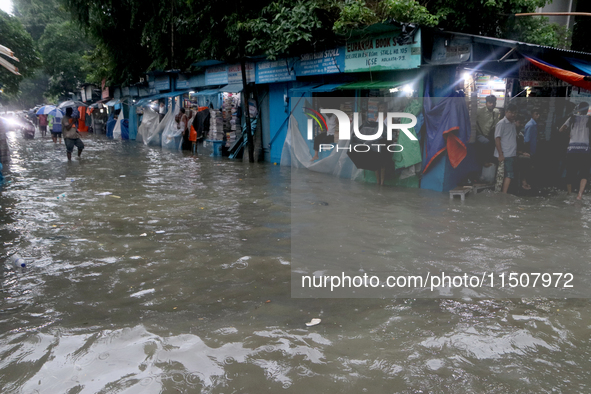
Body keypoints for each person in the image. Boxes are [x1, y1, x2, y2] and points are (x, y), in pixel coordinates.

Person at [559, 102, 590, 200]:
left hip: (572, 149)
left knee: (570, 171)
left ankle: (569, 193)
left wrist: (569, 133)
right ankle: (579, 195)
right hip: (585, 150)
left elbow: (561, 130)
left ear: (578, 109)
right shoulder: (589, 119)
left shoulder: (572, 118)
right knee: (584, 172)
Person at [494, 103, 518, 193]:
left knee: (508, 175)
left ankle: (503, 194)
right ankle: (503, 195)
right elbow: (497, 139)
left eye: (515, 113)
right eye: (511, 112)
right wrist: (501, 154)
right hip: (505, 154)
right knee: (508, 175)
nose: (513, 114)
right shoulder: (501, 123)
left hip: (511, 153)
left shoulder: (513, 124)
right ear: (506, 112)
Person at [476, 95, 500, 167]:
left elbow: (496, 124)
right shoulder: (480, 110)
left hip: (488, 134)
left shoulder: (495, 112)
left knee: (497, 142)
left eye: (493, 103)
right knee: (486, 142)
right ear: (486, 103)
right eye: (490, 102)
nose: (492, 104)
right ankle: (483, 162)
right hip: (478, 134)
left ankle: (493, 162)